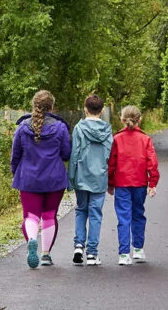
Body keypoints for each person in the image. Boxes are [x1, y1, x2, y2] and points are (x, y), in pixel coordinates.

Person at [10, 89, 72, 269]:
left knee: (31, 215)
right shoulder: (60, 127)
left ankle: (32, 239)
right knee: (49, 215)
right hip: (54, 180)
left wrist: (17, 174)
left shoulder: (23, 127)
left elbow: (15, 155)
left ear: (34, 105)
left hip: (29, 179)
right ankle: (46, 255)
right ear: (52, 106)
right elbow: (66, 153)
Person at [107, 105, 158, 266]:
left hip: (122, 183)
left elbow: (111, 163)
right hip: (140, 182)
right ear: (139, 119)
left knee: (123, 217)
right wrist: (152, 182)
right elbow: (152, 163)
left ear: (122, 120)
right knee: (138, 214)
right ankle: (138, 249)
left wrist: (110, 183)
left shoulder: (117, 139)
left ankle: (123, 254)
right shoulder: (145, 139)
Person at [68, 93, 113, 266]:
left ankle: (79, 246)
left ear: (85, 109)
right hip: (99, 177)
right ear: (102, 110)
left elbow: (74, 154)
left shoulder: (79, 128)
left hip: (81, 176)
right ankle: (92, 253)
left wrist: (71, 178)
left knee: (81, 210)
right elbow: (109, 155)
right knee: (95, 214)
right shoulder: (107, 130)